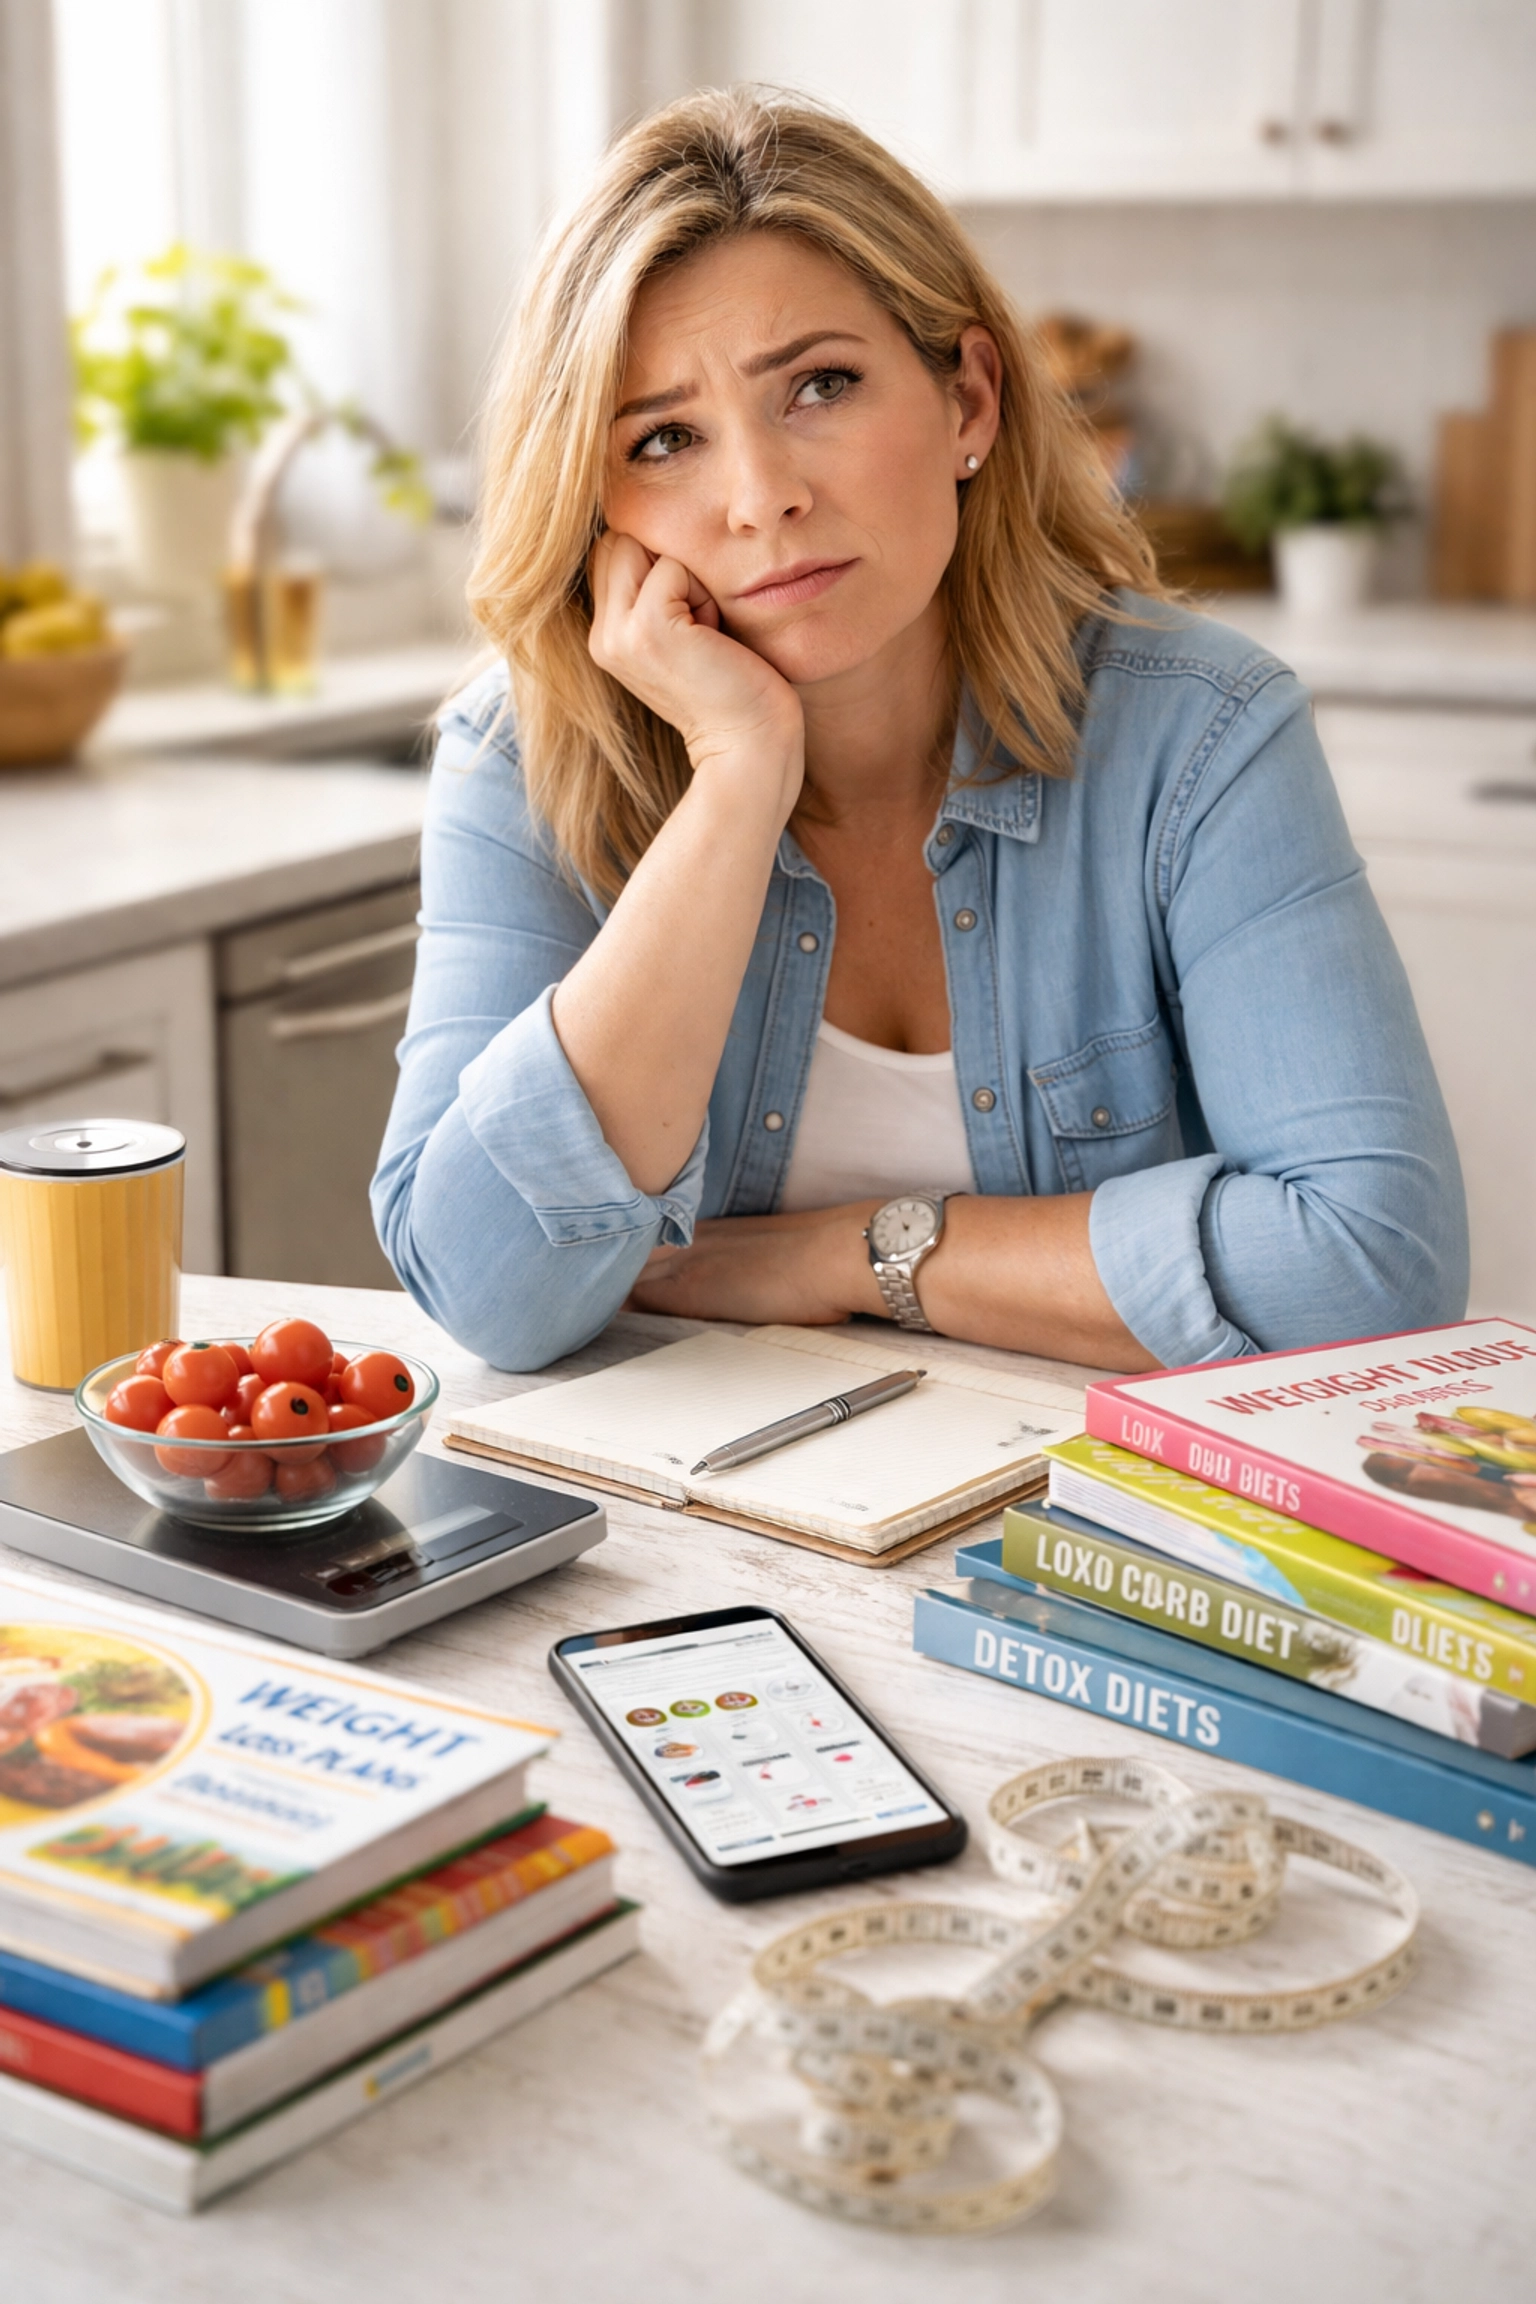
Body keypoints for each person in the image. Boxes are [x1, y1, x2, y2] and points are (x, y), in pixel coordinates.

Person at [372, 87, 1467, 1376]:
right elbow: (485, 1294)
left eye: (820, 386)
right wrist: (737, 779)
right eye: (664, 439)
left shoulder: (1202, 736)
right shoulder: (526, 756)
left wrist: (852, 1254)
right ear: (596, 502)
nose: (761, 497)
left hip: (1084, 1487)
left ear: (969, 402)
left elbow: (1373, 1268)